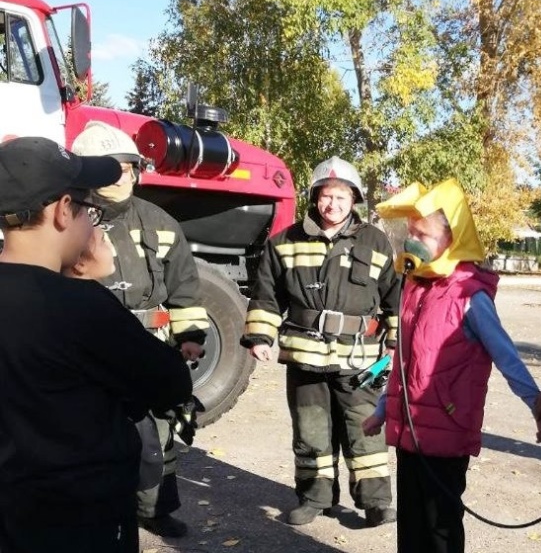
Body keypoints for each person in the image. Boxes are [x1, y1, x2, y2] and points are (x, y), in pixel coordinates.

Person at [0, 136, 193, 553]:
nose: (95, 224)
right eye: (90, 210)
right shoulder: (79, 306)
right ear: (61, 211)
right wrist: (93, 283)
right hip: (77, 521)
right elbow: (172, 383)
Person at [363, 178, 541, 553]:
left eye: (424, 233)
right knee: (412, 528)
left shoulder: (470, 295)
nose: (412, 240)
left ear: (452, 238)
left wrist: (536, 403)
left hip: (446, 434)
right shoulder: (414, 287)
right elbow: (404, 360)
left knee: (440, 529)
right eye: (411, 231)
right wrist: (384, 408)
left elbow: (505, 355)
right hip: (409, 432)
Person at [241, 156, 401, 527]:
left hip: (360, 359)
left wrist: (395, 341)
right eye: (327, 196)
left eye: (342, 197)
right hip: (305, 357)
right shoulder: (284, 242)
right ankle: (315, 498)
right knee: (311, 430)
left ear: (354, 199)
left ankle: (376, 502)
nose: (334, 204)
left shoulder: (376, 242)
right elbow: (266, 294)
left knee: (366, 429)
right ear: (315, 197)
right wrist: (261, 335)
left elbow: (395, 296)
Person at [71, 121, 209, 539]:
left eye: (128, 167)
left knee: (159, 433)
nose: (122, 176)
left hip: (149, 344)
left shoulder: (159, 221)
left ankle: (155, 509)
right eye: (111, 168)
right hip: (88, 346)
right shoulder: (69, 216)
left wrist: (190, 338)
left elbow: (184, 284)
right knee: (92, 432)